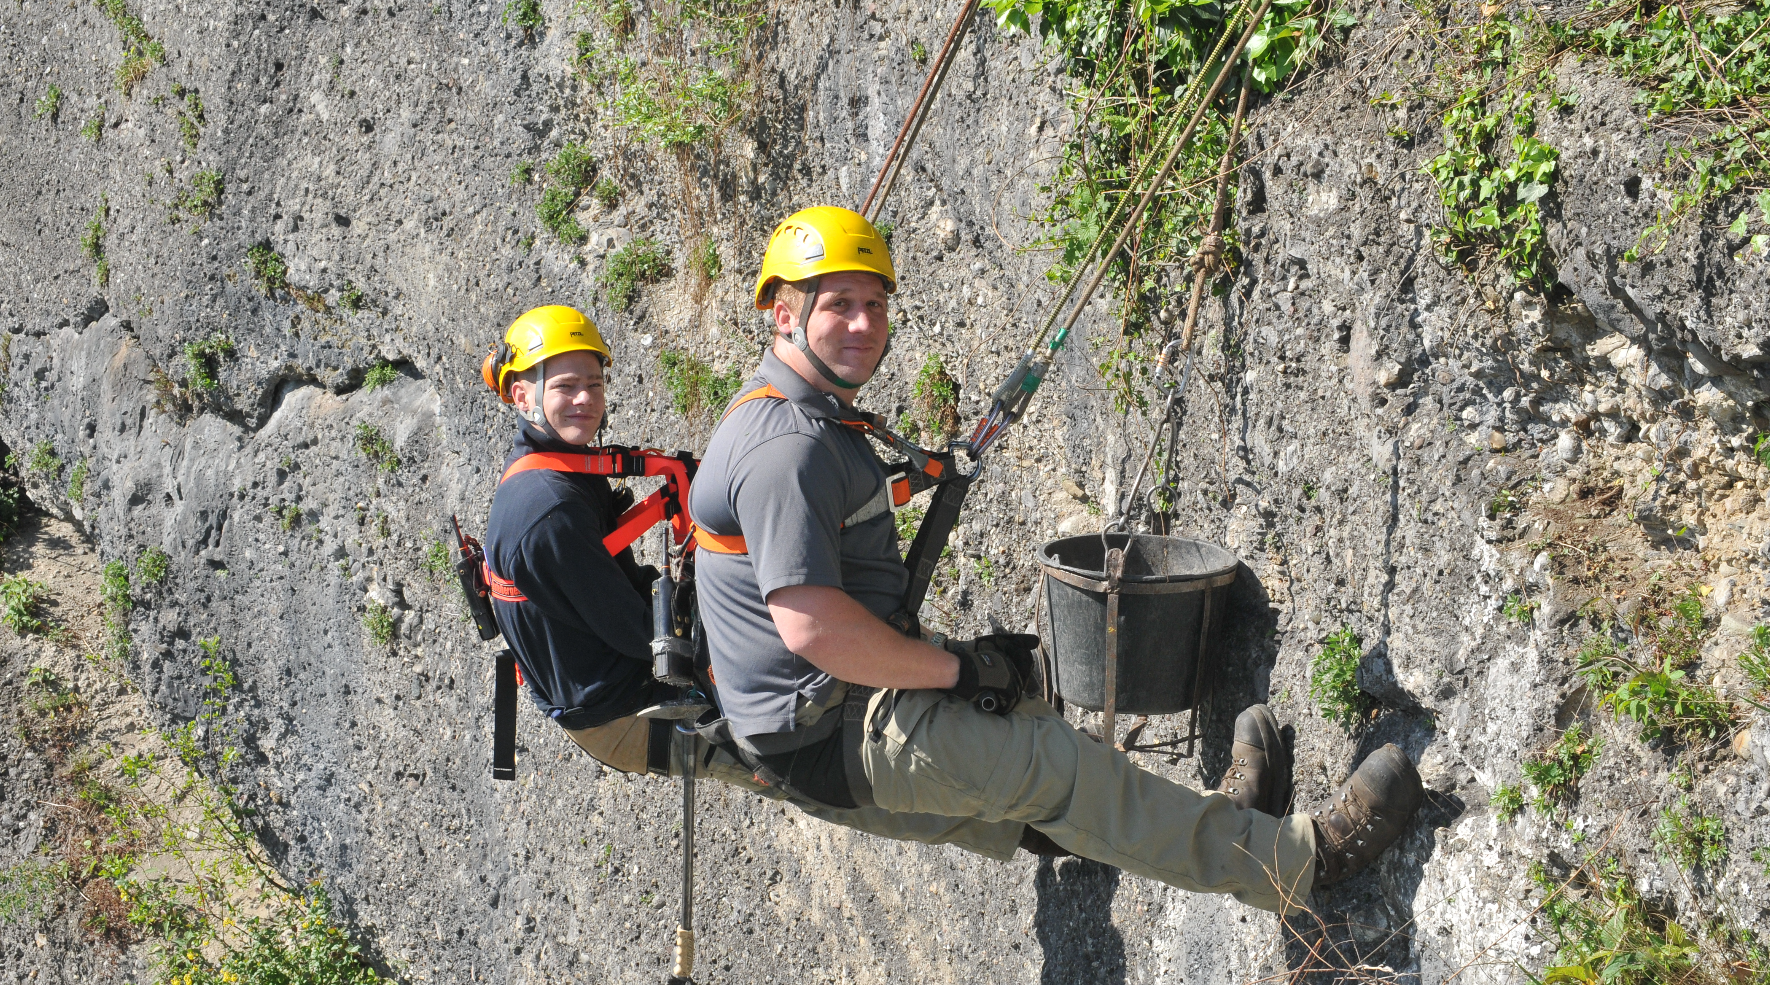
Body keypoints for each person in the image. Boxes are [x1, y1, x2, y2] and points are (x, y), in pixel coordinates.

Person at [689, 207, 1425, 914]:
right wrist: (953, 669)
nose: (863, 325)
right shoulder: (788, 447)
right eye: (839, 304)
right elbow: (814, 630)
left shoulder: (800, 410)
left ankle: (1227, 831)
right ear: (784, 313)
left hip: (813, 716)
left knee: (1031, 766)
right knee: (1056, 769)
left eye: (876, 305)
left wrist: (956, 664)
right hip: (828, 721)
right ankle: (1308, 860)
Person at [477, 304, 1037, 859]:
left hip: (619, 668)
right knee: (827, 776)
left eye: (594, 384)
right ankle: (1025, 823)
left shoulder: (556, 464)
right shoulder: (544, 514)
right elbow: (639, 638)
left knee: (823, 674)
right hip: (629, 709)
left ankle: (981, 715)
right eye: (567, 386)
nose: (586, 400)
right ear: (522, 396)